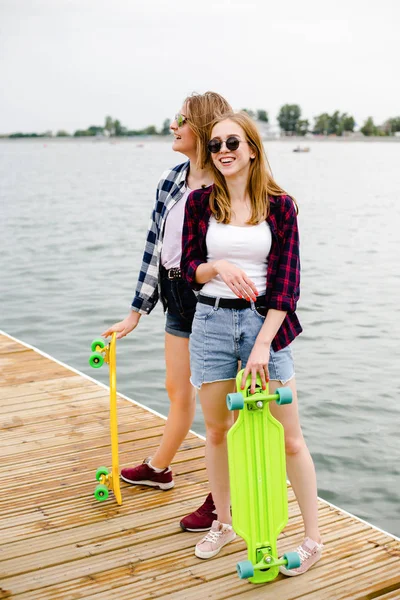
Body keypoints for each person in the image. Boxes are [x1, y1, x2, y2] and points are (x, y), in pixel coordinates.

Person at [180, 111, 323, 575]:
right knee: (218, 432)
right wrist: (218, 266)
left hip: (266, 327)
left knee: (290, 439)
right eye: (216, 144)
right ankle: (223, 522)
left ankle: (312, 539)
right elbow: (189, 269)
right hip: (212, 324)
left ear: (252, 149)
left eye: (233, 143)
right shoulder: (200, 202)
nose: (223, 151)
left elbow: (287, 284)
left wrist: (264, 344)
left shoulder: (281, 206)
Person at [101, 92, 231, 532]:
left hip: (217, 301)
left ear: (201, 126)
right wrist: (136, 311)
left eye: (180, 120)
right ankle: (160, 469)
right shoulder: (171, 180)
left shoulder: (230, 183)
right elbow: (155, 249)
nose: (173, 127)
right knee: (178, 390)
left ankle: (221, 500)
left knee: (220, 412)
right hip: (177, 297)